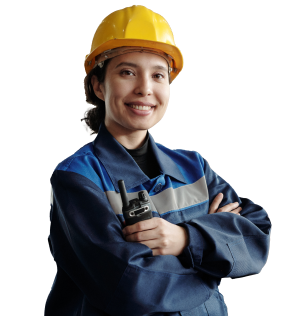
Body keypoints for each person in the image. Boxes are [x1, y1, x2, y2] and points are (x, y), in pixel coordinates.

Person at [45, 5, 272, 316]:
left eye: (157, 74)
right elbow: (130, 285)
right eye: (127, 72)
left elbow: (256, 237)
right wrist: (214, 265)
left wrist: (185, 238)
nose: (145, 89)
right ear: (98, 85)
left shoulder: (193, 165)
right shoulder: (77, 178)